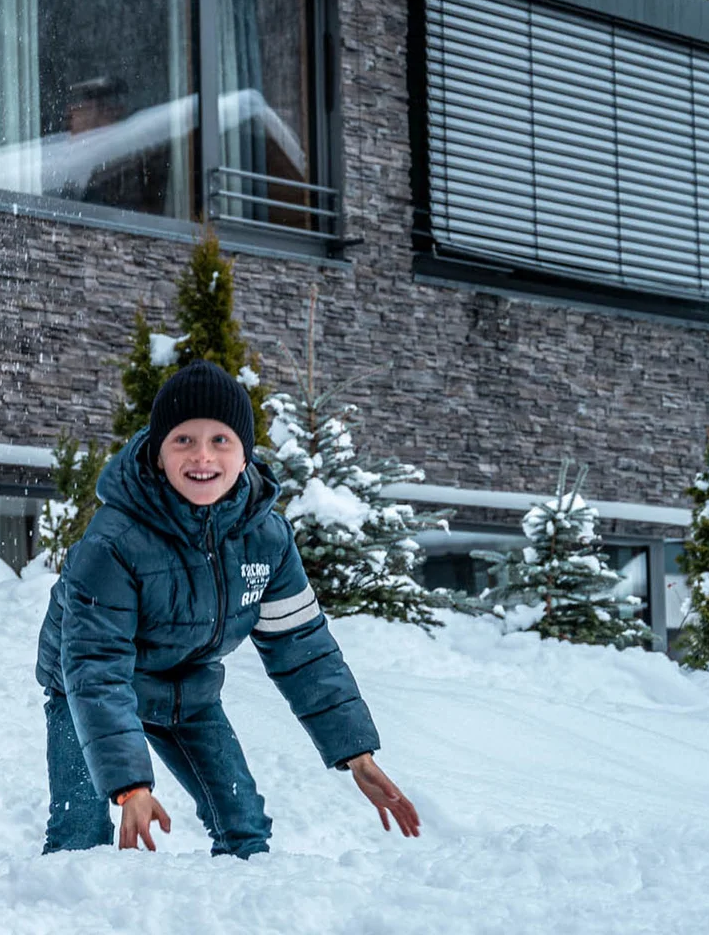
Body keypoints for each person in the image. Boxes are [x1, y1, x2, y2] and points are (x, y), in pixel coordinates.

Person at [35, 360, 420, 857]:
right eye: (183, 440)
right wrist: (131, 786)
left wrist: (358, 754)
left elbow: (303, 649)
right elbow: (96, 666)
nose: (202, 455)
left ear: (244, 456)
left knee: (244, 828)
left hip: (187, 686)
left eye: (221, 440)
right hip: (86, 687)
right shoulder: (113, 541)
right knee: (80, 838)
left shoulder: (266, 539)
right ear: (157, 453)